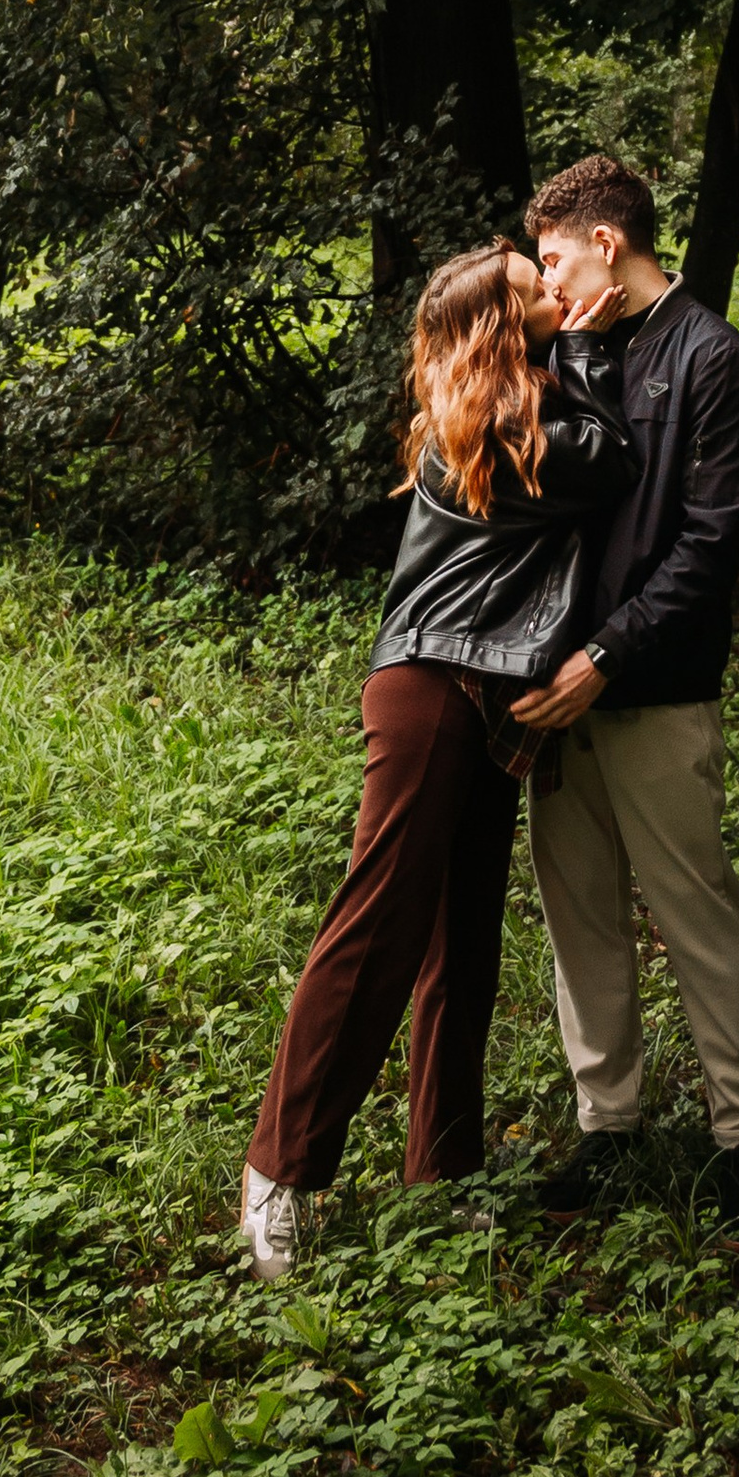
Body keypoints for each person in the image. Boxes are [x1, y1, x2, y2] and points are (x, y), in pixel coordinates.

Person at [240, 240, 633, 1280]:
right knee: (376, 923)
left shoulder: (520, 402)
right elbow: (612, 464)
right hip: (431, 688)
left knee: (461, 943)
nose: (553, 287)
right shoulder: (492, 429)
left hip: (490, 699)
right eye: (528, 285)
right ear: (501, 325)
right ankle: (278, 1170)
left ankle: (444, 1172)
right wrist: (590, 350)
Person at [508, 152, 739, 1229]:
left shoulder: (713, 362)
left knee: (695, 915)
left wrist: (604, 659)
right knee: (579, 918)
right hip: (551, 697)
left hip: (652, 686)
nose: (543, 279)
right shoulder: (563, 349)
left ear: (605, 244)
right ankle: (606, 1128)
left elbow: (708, 547)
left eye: (551, 256)